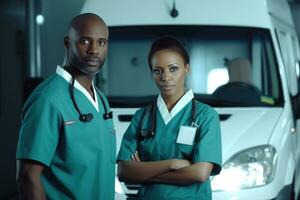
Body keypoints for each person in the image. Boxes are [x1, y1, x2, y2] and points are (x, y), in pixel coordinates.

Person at [16, 13, 116, 200]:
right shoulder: (47, 99)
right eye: (85, 42)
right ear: (67, 43)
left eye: (101, 42)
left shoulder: (102, 101)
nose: (94, 50)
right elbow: (28, 176)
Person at [117, 36, 222, 200]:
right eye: (157, 71)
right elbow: (124, 171)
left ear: (187, 69)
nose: (165, 77)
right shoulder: (142, 117)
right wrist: (171, 164)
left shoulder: (206, 116)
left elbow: (200, 173)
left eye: (173, 69)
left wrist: (144, 171)